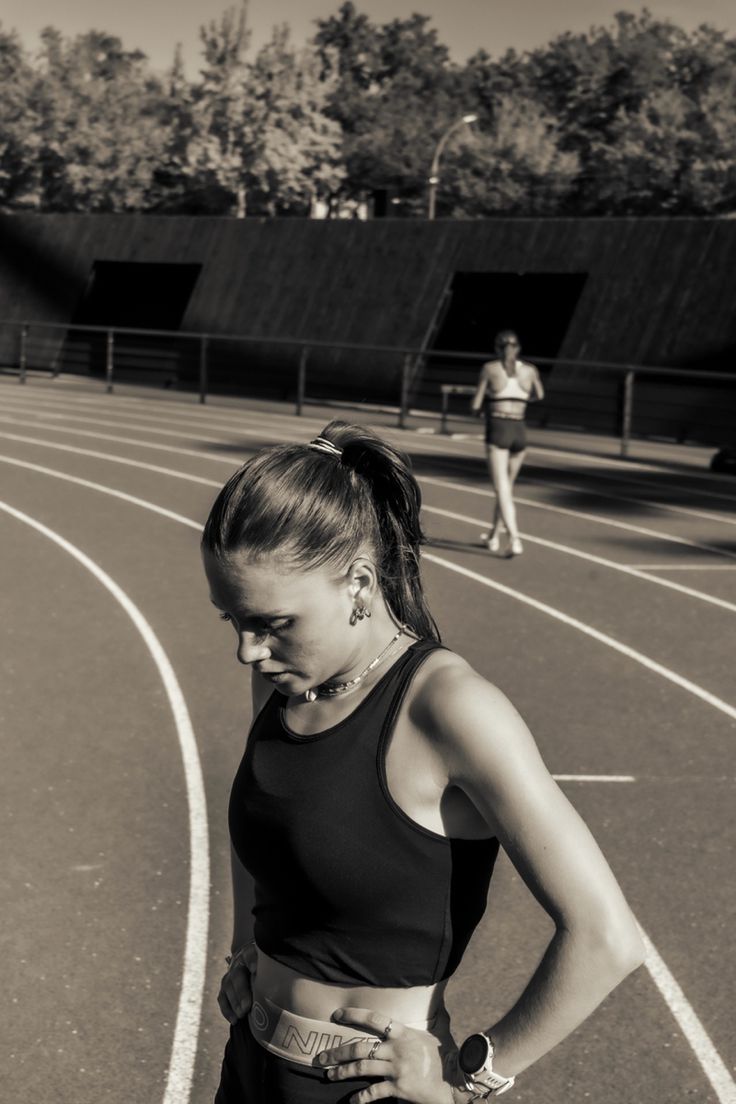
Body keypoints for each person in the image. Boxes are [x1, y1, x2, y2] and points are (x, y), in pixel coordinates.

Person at [202, 420, 644, 1104]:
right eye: (233, 620)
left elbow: (606, 939)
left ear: (358, 582)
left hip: (367, 1092)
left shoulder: (452, 708)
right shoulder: (287, 678)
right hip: (251, 1061)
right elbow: (264, 820)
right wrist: (243, 945)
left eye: (273, 622)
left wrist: (468, 1082)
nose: (248, 651)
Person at [470, 331, 545, 557]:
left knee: (501, 488)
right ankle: (493, 536)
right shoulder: (530, 371)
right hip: (519, 430)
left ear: (497, 348)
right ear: (518, 348)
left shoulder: (490, 369)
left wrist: (481, 409)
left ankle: (514, 538)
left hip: (498, 428)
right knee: (506, 490)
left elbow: (475, 403)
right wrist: (521, 400)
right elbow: (539, 395)